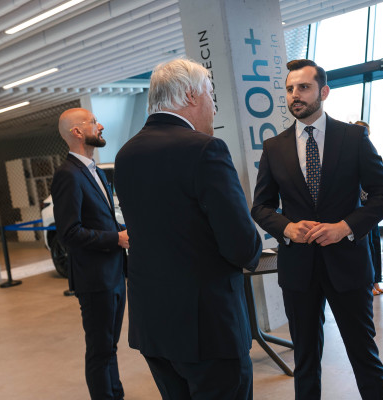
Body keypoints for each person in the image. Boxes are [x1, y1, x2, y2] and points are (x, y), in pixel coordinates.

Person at [114, 58, 262, 400]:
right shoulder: (205, 149)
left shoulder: (126, 155)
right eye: (211, 94)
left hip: (153, 326)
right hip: (208, 328)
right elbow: (241, 245)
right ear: (192, 95)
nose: (214, 106)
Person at [251, 59, 383, 399]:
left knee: (364, 356)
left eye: (303, 87)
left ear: (324, 91)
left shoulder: (353, 137)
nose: (295, 95)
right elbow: (261, 207)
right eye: (290, 89)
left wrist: (345, 227)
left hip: (348, 266)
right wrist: (288, 228)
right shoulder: (274, 147)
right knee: (305, 360)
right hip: (298, 270)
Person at [51, 108, 129, 400]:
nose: (101, 126)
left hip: (113, 273)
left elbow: (99, 219)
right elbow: (69, 233)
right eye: (94, 122)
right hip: (95, 279)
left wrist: (122, 230)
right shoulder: (67, 175)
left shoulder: (94, 171)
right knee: (100, 350)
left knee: (110, 347)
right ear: (77, 132)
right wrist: (116, 238)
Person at [354, 120, 383, 296]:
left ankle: (376, 281)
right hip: (358, 208)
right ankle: (369, 283)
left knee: (375, 245)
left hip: (370, 207)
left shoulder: (371, 151)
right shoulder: (350, 154)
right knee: (366, 247)